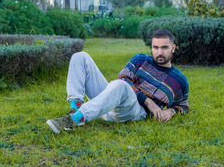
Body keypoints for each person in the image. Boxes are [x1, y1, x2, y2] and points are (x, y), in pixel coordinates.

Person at [46, 29, 189, 133]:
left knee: (120, 86)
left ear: (173, 48)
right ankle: (75, 108)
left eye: (164, 47)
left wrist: (170, 112)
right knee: (80, 56)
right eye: (155, 47)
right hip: (110, 101)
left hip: (134, 111)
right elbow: (123, 79)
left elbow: (183, 106)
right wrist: (148, 101)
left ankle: (73, 120)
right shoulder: (140, 59)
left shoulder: (180, 80)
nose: (159, 52)